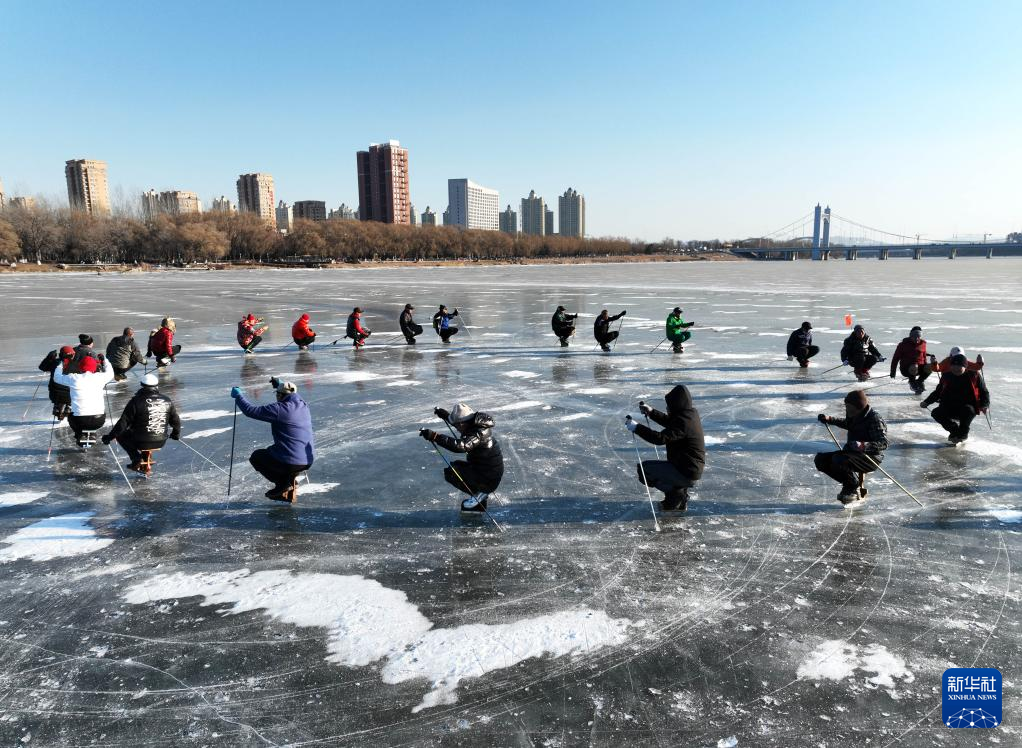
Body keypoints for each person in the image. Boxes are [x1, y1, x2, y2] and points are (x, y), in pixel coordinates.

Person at [231, 378, 315, 502]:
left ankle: (283, 484)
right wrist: (280, 385)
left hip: (291, 462)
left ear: (280, 395)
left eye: (277, 394)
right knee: (278, 454)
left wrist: (239, 396)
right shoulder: (303, 404)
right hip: (307, 461)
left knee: (257, 457)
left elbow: (250, 411)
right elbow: (292, 392)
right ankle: (288, 482)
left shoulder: (279, 409)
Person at [626, 385, 705, 511]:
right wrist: (651, 412)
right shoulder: (689, 415)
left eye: (669, 405)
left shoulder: (684, 422)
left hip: (686, 471)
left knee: (644, 470)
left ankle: (676, 495)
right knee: (651, 469)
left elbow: (660, 438)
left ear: (677, 405)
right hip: (688, 468)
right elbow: (670, 422)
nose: (667, 408)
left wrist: (637, 428)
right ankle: (679, 497)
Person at [420, 403, 504, 513]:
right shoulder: (474, 425)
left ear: (462, 424)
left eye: (458, 425)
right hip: (488, 472)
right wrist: (445, 415)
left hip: (488, 478)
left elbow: (461, 446)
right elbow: (460, 422)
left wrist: (435, 436)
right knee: (456, 466)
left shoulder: (476, 433)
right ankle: (480, 495)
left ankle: (480, 494)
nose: (458, 429)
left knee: (452, 473)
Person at [814, 389, 889, 504]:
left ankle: (852, 487)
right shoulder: (854, 414)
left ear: (858, 406)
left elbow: (883, 443)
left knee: (839, 459)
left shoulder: (874, 419)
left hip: (870, 458)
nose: (846, 408)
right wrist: (830, 419)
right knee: (820, 460)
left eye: (848, 406)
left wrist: (864, 445)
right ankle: (849, 483)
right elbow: (848, 424)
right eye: (846, 406)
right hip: (852, 453)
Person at [102, 373, 181, 471]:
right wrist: (176, 434)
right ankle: (145, 458)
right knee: (145, 431)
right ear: (156, 386)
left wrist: (109, 437)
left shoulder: (136, 401)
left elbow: (123, 423)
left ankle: (136, 458)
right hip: (160, 441)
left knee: (122, 434)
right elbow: (175, 420)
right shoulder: (167, 400)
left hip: (140, 441)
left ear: (142, 385)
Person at [921, 353, 990, 444]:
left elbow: (984, 392)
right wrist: (926, 402)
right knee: (936, 413)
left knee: (967, 410)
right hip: (950, 406)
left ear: (965, 367)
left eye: (959, 366)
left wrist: (985, 405)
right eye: (953, 366)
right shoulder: (946, 376)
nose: (956, 368)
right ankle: (954, 430)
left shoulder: (974, 375)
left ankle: (963, 433)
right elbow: (938, 392)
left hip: (967, 407)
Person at [53, 354, 115, 446]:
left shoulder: (74, 378)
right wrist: (105, 360)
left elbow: (57, 377)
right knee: (92, 417)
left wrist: (61, 364)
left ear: (80, 367)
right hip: (99, 420)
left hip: (79, 420)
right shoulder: (100, 377)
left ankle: (79, 434)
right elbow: (111, 373)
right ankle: (92, 433)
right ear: (94, 367)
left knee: (70, 414)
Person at [889, 326, 931, 394]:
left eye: (919, 337)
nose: (917, 339)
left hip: (919, 368)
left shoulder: (923, 343)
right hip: (906, 369)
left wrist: (926, 367)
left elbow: (924, 357)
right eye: (914, 337)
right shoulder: (903, 345)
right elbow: (895, 359)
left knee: (931, 366)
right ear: (910, 336)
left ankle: (919, 381)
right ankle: (912, 382)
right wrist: (893, 372)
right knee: (914, 366)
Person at [38, 345, 75, 420]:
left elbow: (42, 367)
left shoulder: (55, 363)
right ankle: (69, 407)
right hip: (69, 394)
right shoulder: (75, 364)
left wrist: (49, 358)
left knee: (59, 394)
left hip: (54, 393)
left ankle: (58, 407)